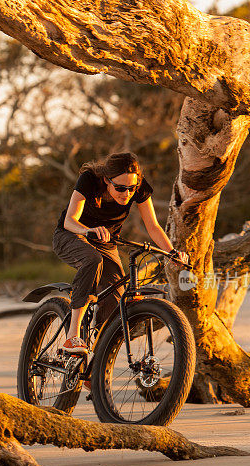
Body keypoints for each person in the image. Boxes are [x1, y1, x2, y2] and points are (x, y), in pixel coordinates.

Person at [53, 151, 188, 356]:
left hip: (106, 243)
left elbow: (152, 226)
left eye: (131, 189)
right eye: (120, 188)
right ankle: (72, 335)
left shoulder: (139, 189)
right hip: (72, 236)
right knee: (92, 259)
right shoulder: (89, 180)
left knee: (115, 298)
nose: (126, 194)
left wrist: (171, 252)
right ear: (107, 180)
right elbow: (69, 221)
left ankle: (95, 362)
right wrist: (87, 230)